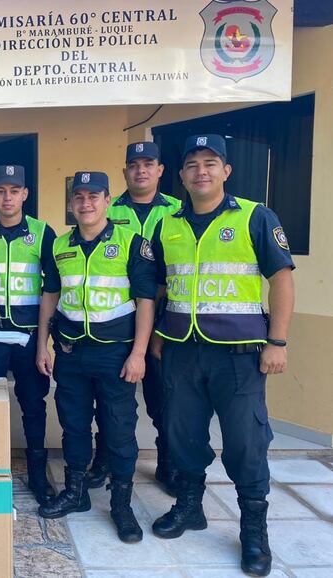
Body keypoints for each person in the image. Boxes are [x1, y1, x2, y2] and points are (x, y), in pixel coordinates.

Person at [149, 134, 295, 577]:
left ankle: (254, 528)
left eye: (210, 163)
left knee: (246, 442)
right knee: (183, 435)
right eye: (192, 164)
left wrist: (279, 341)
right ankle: (190, 506)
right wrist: (156, 335)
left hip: (239, 355)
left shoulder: (255, 216)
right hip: (181, 350)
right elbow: (160, 285)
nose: (201, 171)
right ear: (181, 175)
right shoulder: (168, 224)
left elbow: (282, 280)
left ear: (226, 171)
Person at [36, 171, 157, 544]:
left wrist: (139, 353)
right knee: (73, 426)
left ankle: (121, 504)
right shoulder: (59, 245)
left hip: (115, 355)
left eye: (93, 196)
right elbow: (51, 297)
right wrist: (42, 344)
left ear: (108, 200)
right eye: (78, 197)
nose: (85, 203)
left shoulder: (132, 243)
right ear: (71, 204)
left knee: (119, 431)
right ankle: (76, 492)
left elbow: (145, 302)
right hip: (71, 352)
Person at [79, 142, 182, 495]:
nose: (140, 170)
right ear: (124, 172)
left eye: (148, 164)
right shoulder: (109, 207)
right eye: (133, 164)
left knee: (163, 397)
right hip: (122, 320)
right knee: (111, 401)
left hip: (167, 318)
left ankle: (168, 461)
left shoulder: (178, 211)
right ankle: (104, 460)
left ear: (160, 170)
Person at [0, 164, 57, 505]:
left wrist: (45, 341)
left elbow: (53, 287)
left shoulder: (42, 232)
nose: (7, 197)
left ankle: (37, 475)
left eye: (14, 191)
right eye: (1, 190)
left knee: (33, 404)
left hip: (29, 335)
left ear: (24, 195)